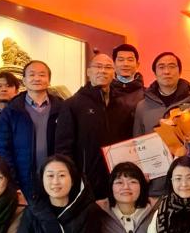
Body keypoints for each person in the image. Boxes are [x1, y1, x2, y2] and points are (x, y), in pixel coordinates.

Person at [56, 53, 135, 199]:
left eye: (108, 67)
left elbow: (129, 141)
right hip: (85, 181)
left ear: (114, 73)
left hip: (117, 179)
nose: (103, 71)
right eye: (98, 66)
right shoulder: (72, 104)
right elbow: (63, 147)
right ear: (88, 71)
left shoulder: (123, 105)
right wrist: (71, 176)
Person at [0, 60, 65, 200]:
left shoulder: (62, 108)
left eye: (42, 75)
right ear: (24, 81)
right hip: (23, 180)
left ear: (49, 80)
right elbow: (2, 149)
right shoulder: (11, 111)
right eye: (32, 75)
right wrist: (13, 182)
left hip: (56, 179)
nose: (37, 78)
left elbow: (68, 144)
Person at [133, 52, 190, 195]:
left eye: (172, 66)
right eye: (161, 67)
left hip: (187, 182)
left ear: (180, 71)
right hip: (155, 183)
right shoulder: (142, 106)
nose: (167, 71)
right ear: (155, 72)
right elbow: (137, 143)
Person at [112, 43, 145, 116]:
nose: (125, 64)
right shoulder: (105, 91)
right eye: (121, 60)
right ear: (114, 64)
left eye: (130, 60)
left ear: (137, 65)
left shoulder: (147, 94)